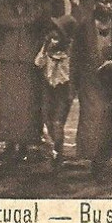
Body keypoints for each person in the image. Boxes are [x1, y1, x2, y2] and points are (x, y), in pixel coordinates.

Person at [71, 0, 112, 178]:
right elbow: (76, 55)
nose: (109, 5)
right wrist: (75, 81)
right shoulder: (85, 25)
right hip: (90, 78)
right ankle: (92, 156)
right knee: (93, 115)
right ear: (96, 3)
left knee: (110, 119)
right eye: (104, 2)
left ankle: (102, 159)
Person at [0, 0, 44, 161]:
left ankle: (25, 143)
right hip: (10, 54)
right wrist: (21, 23)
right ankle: (9, 142)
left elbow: (38, 18)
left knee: (27, 100)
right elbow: (1, 18)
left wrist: (20, 23)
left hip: (28, 55)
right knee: (9, 99)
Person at [34, 14, 77, 164]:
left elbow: (72, 73)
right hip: (48, 86)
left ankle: (58, 151)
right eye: (52, 32)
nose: (53, 36)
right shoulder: (47, 49)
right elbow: (38, 63)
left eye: (58, 33)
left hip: (62, 89)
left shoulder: (69, 53)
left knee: (58, 121)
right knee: (47, 117)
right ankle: (54, 147)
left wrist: (72, 91)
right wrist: (46, 48)